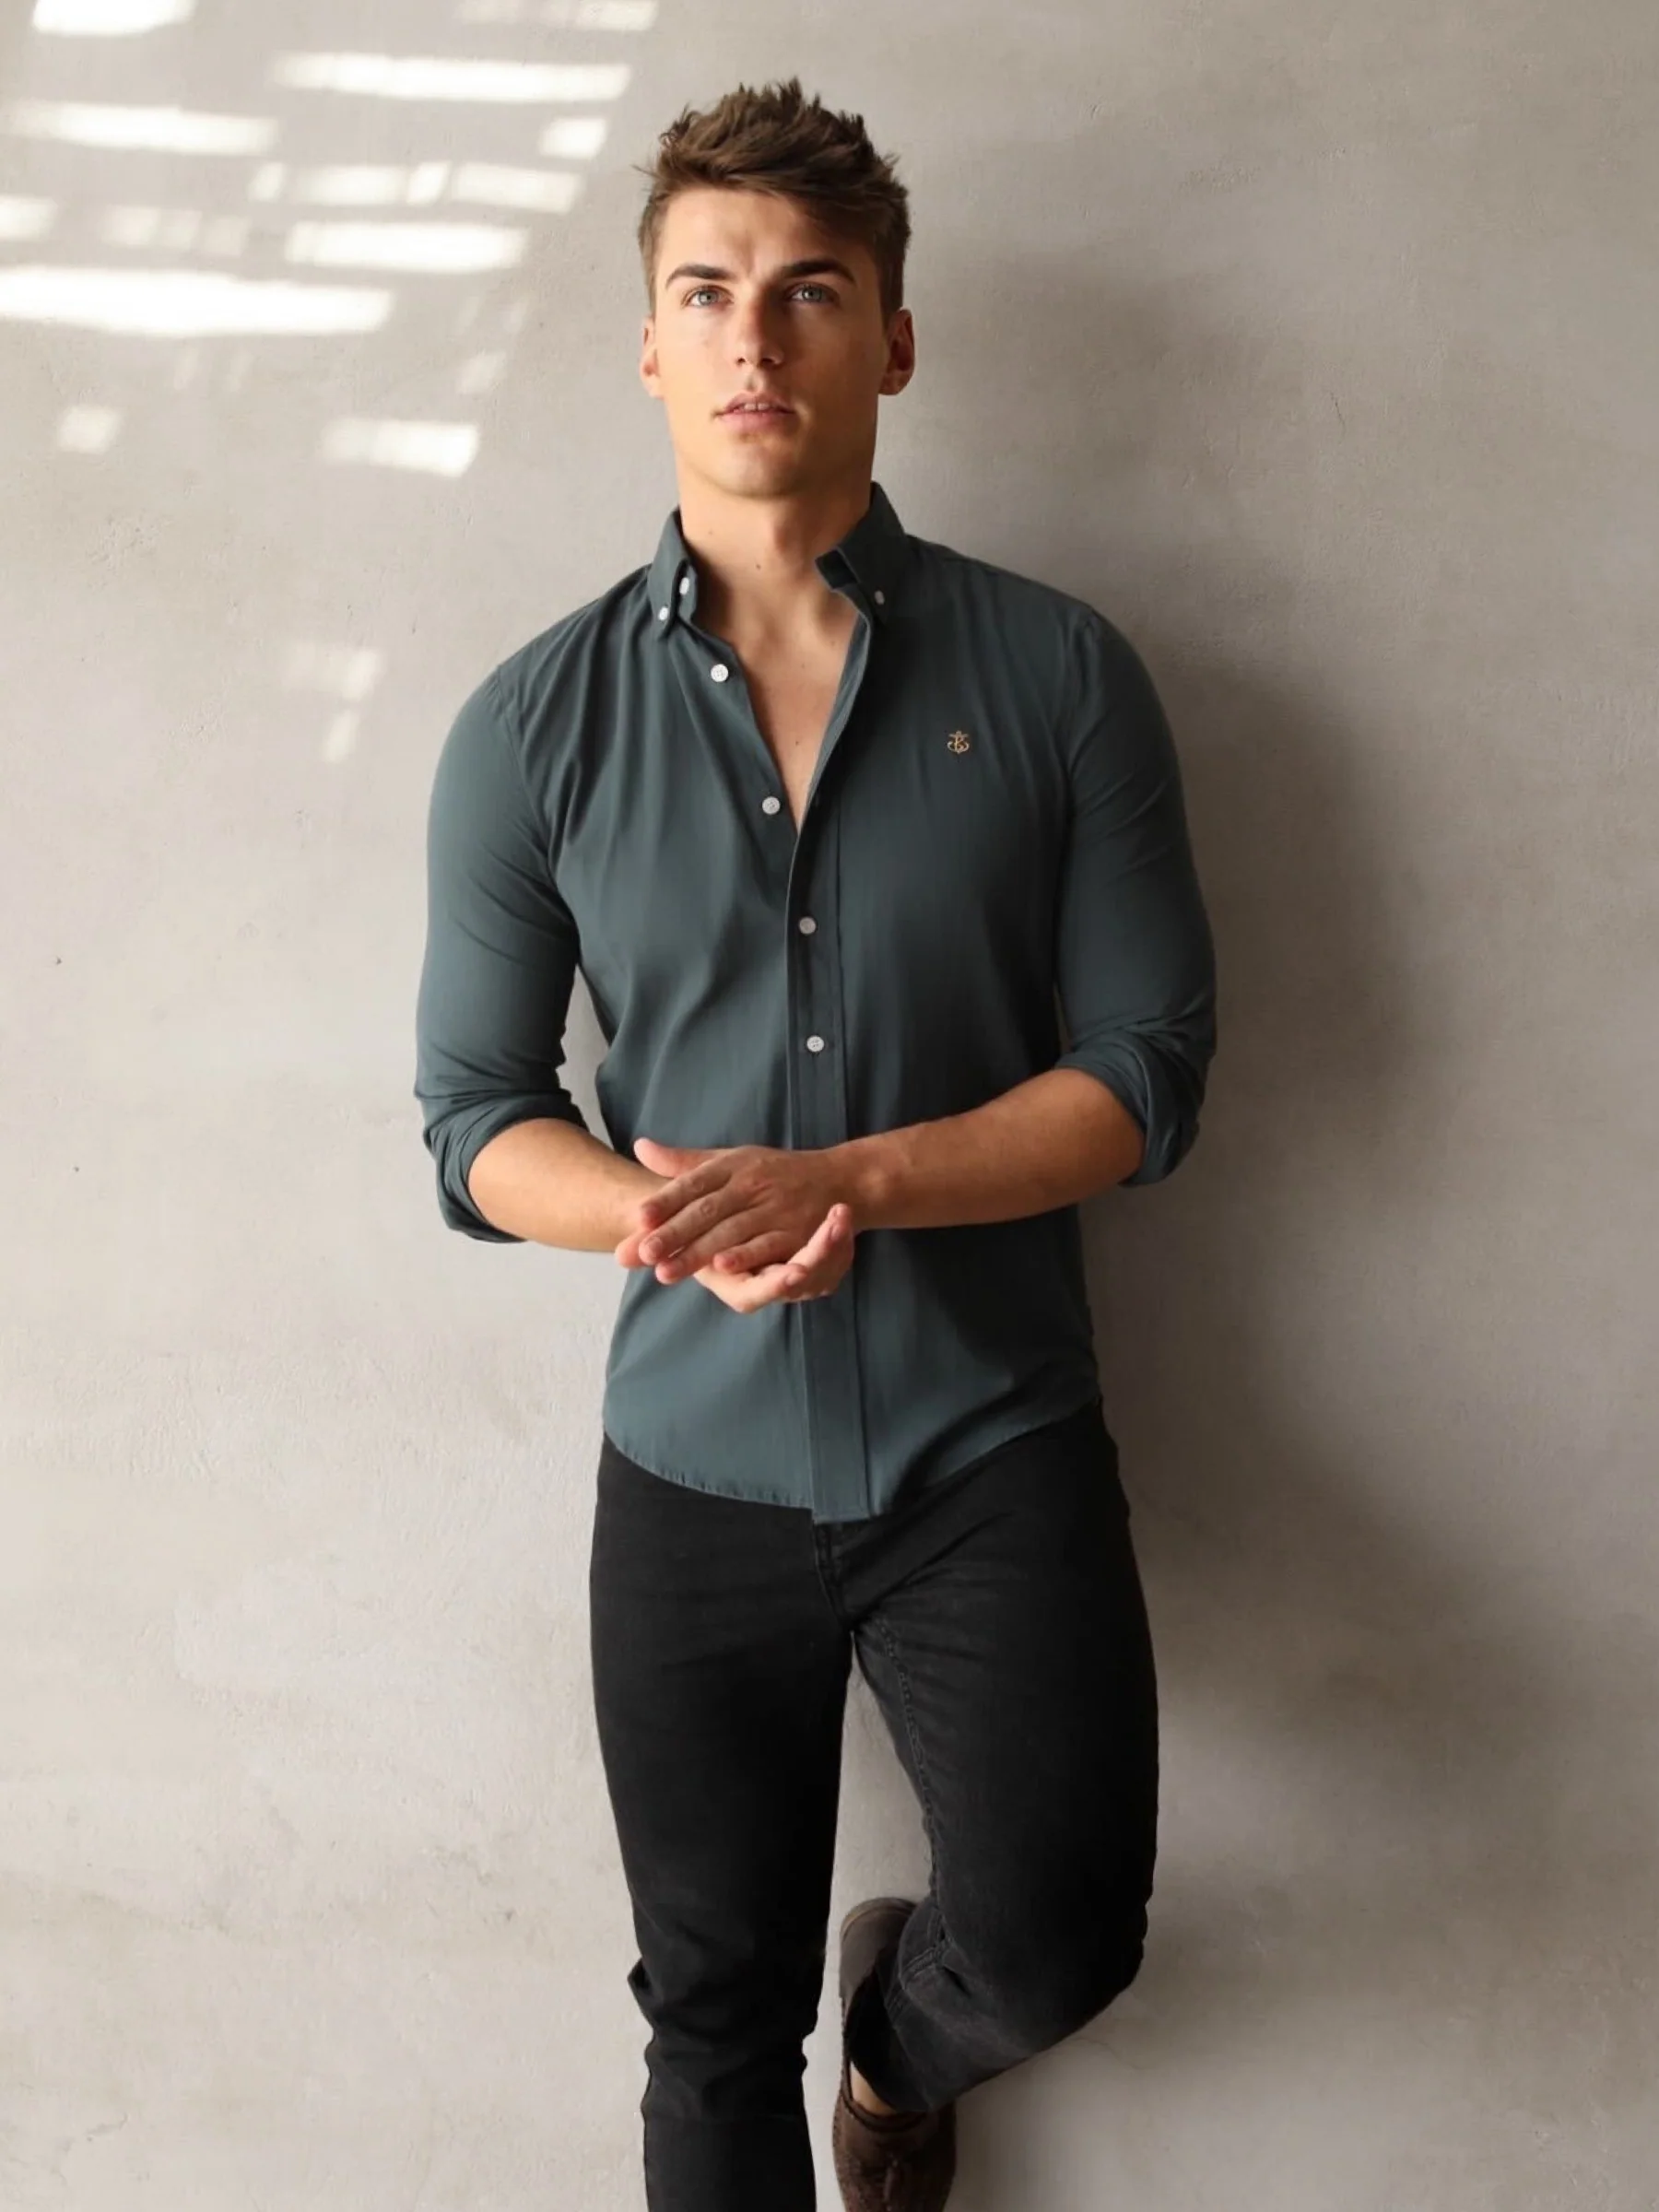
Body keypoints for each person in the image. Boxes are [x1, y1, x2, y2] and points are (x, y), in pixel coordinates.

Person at [413, 72, 1217, 2212]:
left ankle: (899, 2049)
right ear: (646, 346)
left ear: (894, 338)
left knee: (1057, 1938)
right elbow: (475, 1120)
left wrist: (842, 1179)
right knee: (706, 2016)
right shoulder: (530, 728)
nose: (753, 337)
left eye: (810, 290)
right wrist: (668, 1215)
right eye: (707, 292)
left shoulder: (1062, 676)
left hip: (992, 1443)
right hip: (691, 1475)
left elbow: (1147, 1074)